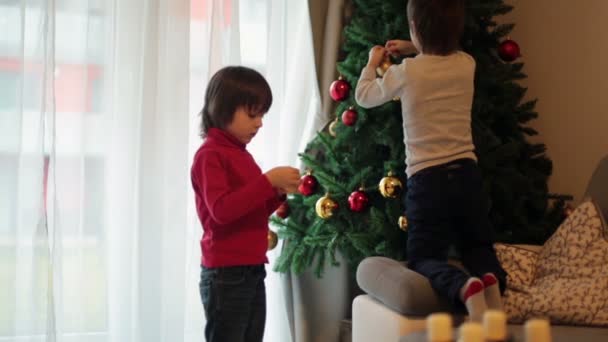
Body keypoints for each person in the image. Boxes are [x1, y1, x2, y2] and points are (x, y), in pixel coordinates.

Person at [355, 0, 507, 322]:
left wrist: (372, 62)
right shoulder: (466, 64)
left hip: (428, 181)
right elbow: (440, 51)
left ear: (415, 30)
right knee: (477, 246)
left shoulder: (407, 72)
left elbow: (364, 96)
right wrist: (416, 45)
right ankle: (492, 283)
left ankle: (463, 287)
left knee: (424, 256)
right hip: (467, 174)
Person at [191, 66, 301, 341]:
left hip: (251, 268)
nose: (259, 123)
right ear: (223, 109)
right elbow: (222, 210)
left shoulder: (240, 154)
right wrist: (267, 182)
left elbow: (250, 211)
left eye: (262, 114)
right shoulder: (210, 155)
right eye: (253, 114)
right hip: (226, 274)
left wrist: (277, 192)